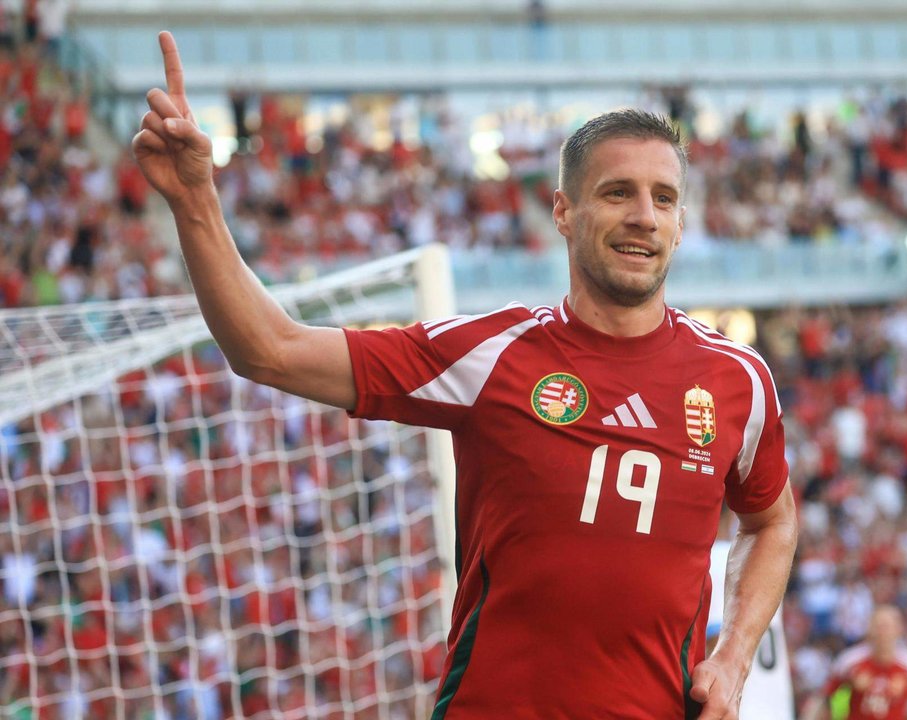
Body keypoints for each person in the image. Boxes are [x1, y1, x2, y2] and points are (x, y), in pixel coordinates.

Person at [133, 31, 798, 719]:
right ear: (564, 212)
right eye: (617, 193)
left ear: (682, 222)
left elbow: (771, 523)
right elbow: (268, 349)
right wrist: (194, 202)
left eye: (663, 198)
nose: (643, 217)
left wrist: (733, 656)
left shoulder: (735, 379)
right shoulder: (491, 354)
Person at [707, 513, 794, 720]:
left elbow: (715, 643)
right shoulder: (758, 562)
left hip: (738, 706)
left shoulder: (714, 561)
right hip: (775, 705)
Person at [804, 605, 907, 720]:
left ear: (899, 629)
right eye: (877, 626)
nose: (882, 632)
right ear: (869, 629)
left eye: (886, 626)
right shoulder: (849, 661)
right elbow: (823, 698)